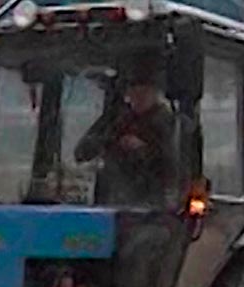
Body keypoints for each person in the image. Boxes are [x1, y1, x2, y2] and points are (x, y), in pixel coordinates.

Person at [74, 56, 177, 208]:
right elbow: (83, 151)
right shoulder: (117, 119)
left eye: (144, 92)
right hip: (111, 201)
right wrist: (110, 141)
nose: (138, 97)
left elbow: (173, 166)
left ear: (155, 93)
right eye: (133, 91)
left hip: (152, 205)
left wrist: (143, 150)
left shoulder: (169, 123)